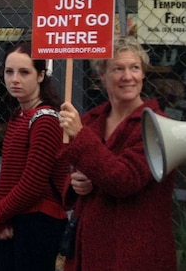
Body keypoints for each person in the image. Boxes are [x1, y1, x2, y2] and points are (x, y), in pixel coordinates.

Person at [59, 36, 176, 270]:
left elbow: (124, 179)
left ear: (143, 74)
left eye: (135, 68)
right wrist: (75, 184)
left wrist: (81, 137)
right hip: (88, 249)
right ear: (102, 75)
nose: (128, 76)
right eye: (118, 68)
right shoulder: (91, 120)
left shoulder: (159, 126)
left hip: (135, 253)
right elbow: (69, 169)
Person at [0, 42, 67, 271]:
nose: (14, 79)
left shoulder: (46, 120)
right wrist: (1, 218)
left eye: (24, 72)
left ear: (41, 75)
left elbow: (32, 185)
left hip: (38, 223)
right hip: (15, 219)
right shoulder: (20, 114)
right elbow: (8, 178)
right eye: (9, 72)